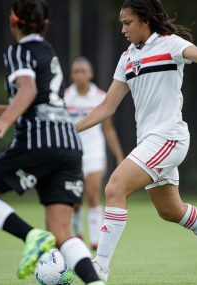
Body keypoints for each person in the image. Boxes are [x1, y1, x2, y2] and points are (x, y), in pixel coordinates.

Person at [75, 1, 197, 284]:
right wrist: (74, 129)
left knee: (115, 186)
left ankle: (100, 268)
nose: (123, 29)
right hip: (150, 141)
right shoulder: (127, 58)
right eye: (121, 23)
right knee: (170, 210)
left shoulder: (170, 44)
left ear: (145, 20)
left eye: (128, 23)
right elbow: (107, 106)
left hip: (169, 137)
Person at [0, 1, 104, 284]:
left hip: (38, 140)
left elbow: (28, 91)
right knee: (62, 231)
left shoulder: (18, 51)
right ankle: (95, 282)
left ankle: (31, 235)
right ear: (44, 24)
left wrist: (6, 122)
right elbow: (29, 102)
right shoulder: (49, 52)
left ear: (13, 22)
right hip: (69, 144)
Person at [64, 57, 125, 250]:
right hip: (72, 152)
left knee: (92, 193)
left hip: (94, 151)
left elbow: (108, 129)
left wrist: (119, 155)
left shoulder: (100, 96)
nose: (80, 75)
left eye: (84, 71)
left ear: (90, 74)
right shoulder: (65, 97)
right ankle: (78, 234)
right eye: (76, 71)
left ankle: (96, 241)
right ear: (72, 75)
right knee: (75, 199)